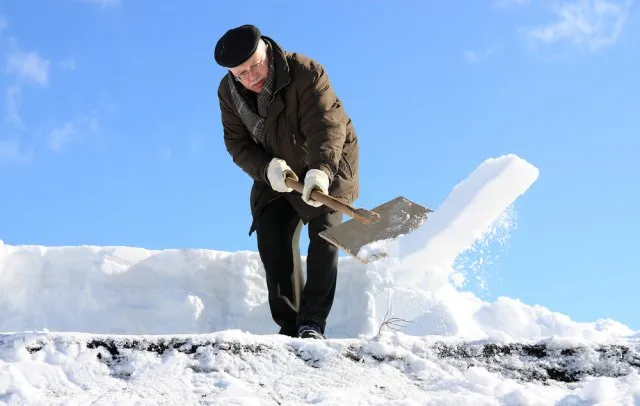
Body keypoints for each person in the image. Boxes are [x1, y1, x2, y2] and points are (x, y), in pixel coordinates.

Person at [213, 24, 359, 339]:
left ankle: (312, 323)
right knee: (271, 235)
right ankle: (290, 326)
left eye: (255, 66)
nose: (251, 78)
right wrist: (266, 169)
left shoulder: (305, 72)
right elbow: (237, 145)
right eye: (241, 74)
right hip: (276, 168)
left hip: (328, 158)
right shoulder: (228, 93)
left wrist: (320, 170)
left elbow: (326, 125)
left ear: (265, 49)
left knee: (325, 235)